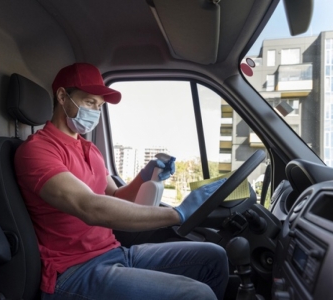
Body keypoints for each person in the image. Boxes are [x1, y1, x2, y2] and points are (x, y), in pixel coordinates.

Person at [14, 63, 229, 300]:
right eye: (89, 102)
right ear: (63, 96)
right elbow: (89, 207)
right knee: (197, 295)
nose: (95, 111)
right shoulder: (37, 151)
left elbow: (114, 196)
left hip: (115, 253)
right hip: (73, 270)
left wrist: (144, 176)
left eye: (99, 106)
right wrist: (177, 214)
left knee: (214, 256)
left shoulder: (90, 150)